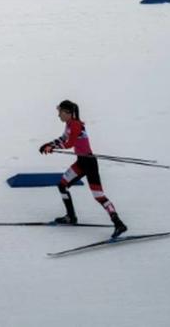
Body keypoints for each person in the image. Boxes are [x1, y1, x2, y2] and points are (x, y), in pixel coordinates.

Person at [40, 100, 128, 238]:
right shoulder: (69, 124)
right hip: (81, 162)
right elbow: (64, 138)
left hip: (89, 163)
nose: (58, 115)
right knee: (62, 185)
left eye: (60, 112)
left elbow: (69, 144)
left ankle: (119, 223)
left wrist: (53, 147)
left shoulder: (75, 125)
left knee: (98, 196)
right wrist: (49, 144)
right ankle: (71, 216)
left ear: (68, 113)